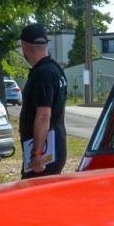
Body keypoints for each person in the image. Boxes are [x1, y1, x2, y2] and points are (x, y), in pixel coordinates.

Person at [17, 22, 69, 178]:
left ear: (24, 47)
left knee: (34, 197)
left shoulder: (42, 74)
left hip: (45, 152)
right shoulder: (56, 69)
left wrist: (38, 153)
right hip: (56, 144)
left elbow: (44, 115)